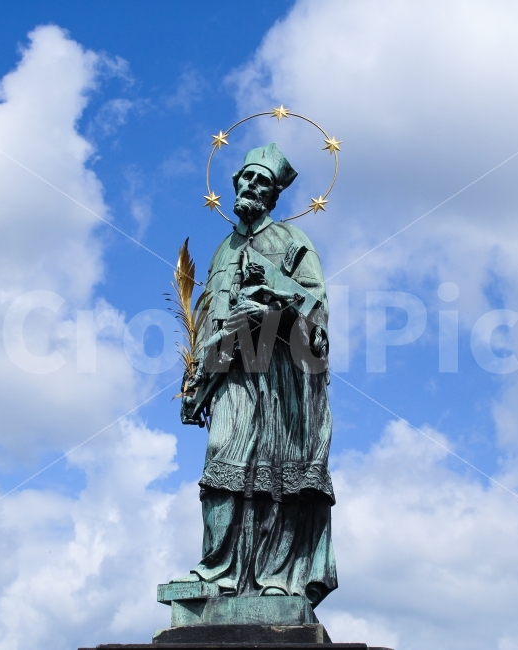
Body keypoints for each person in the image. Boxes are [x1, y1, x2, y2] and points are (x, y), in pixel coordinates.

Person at [177, 143, 337, 608]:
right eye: (245, 178)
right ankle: (218, 571)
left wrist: (271, 292)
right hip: (230, 370)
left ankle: (276, 576)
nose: (251, 186)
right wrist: (195, 382)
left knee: (278, 472)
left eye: (261, 182)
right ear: (233, 184)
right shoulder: (222, 250)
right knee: (220, 461)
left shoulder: (292, 242)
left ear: (274, 195)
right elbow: (207, 318)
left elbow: (317, 309)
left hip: (280, 372)